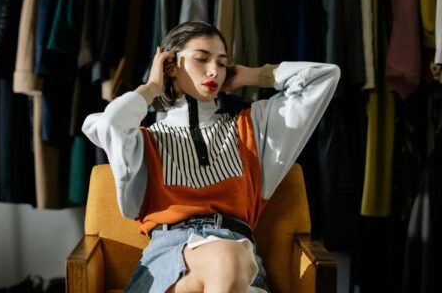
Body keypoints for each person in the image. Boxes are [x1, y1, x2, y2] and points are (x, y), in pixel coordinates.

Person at [82, 21, 340, 292]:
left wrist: (252, 76)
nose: (214, 70)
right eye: (202, 59)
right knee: (229, 256)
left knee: (231, 256)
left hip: (239, 261)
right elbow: (110, 124)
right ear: (170, 65)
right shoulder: (145, 141)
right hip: (166, 263)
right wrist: (152, 87)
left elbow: (324, 76)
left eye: (222, 63)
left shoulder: (253, 130)